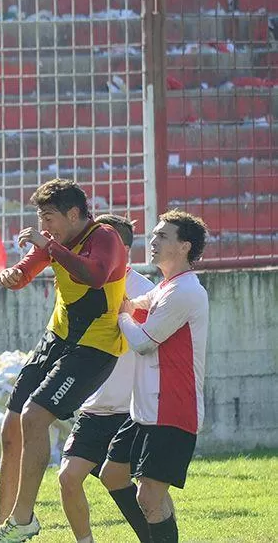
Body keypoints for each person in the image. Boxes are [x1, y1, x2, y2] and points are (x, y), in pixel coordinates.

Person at [0, 179, 128, 543]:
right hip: (57, 338)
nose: (43, 225)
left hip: (94, 350)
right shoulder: (56, 241)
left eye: (48, 217)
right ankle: (7, 527)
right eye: (40, 217)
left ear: (75, 214)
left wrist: (47, 244)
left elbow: (93, 275)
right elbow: (27, 269)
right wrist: (13, 276)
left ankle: (23, 521)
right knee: (11, 427)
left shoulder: (104, 237)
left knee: (35, 416)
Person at [99, 210, 209, 543]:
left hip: (173, 410)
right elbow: (133, 304)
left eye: (162, 236)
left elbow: (144, 342)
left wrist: (121, 316)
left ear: (184, 247)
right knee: (114, 475)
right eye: (154, 234)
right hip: (147, 409)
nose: (153, 240)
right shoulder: (165, 287)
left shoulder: (186, 291)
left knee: (148, 497)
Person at [58, 214, 154, 543]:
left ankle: (156, 537)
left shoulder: (148, 294)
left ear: (122, 250)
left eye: (99, 245)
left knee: (144, 491)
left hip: (132, 412)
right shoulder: (80, 286)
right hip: (94, 409)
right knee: (68, 478)